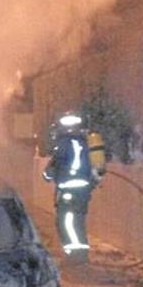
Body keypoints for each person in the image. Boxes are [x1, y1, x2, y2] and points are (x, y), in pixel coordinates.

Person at [42, 112, 98, 262]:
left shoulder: (64, 144)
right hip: (83, 190)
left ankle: (74, 255)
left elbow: (54, 166)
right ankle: (81, 253)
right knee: (77, 220)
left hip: (68, 189)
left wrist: (47, 174)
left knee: (66, 221)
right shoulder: (85, 142)